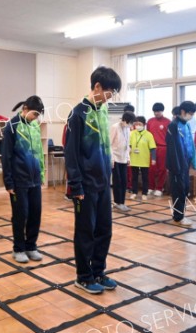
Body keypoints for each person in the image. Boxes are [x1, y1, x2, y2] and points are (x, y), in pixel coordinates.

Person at [65, 66, 121, 295]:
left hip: (102, 183)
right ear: (96, 86)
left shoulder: (102, 111)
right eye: (108, 92)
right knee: (85, 231)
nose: (110, 97)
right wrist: (76, 185)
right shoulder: (78, 114)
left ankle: (98, 271)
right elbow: (72, 153)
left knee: (104, 230)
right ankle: (83, 276)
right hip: (85, 185)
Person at [2, 96, 45, 263]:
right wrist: (8, 181)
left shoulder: (34, 126)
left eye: (38, 115)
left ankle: (31, 246)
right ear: (25, 109)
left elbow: (39, 152)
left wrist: (41, 173)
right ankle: (18, 248)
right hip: (19, 180)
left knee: (36, 214)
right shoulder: (12, 126)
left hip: (35, 180)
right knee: (21, 215)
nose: (36, 118)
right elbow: (6, 156)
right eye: (35, 114)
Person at [166, 101, 196, 227]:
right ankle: (178, 217)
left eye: (193, 114)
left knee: (184, 190)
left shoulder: (187, 125)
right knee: (178, 191)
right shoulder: (173, 125)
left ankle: (181, 215)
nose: (191, 116)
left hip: (185, 164)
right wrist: (177, 166)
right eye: (190, 113)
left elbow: (191, 144)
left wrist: (193, 161)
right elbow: (172, 148)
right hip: (176, 165)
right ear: (183, 111)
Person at [110, 111, 134, 211]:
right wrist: (111, 158)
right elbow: (109, 143)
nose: (131, 125)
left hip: (123, 159)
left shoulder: (127, 129)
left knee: (124, 181)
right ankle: (117, 202)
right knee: (117, 181)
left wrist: (128, 158)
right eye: (130, 122)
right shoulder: (115, 127)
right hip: (115, 158)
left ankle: (122, 202)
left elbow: (127, 144)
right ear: (125, 120)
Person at [129, 116, 157, 201]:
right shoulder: (132, 133)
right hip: (134, 159)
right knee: (134, 177)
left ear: (144, 124)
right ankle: (134, 192)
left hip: (144, 159)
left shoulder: (149, 135)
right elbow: (129, 145)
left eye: (140, 124)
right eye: (136, 124)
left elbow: (152, 148)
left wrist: (153, 158)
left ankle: (144, 193)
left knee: (145, 177)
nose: (137, 125)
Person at [147, 103, 170, 197]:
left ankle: (159, 188)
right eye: (155, 111)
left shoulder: (168, 121)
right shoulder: (150, 121)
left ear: (162, 111)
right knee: (151, 169)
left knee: (162, 169)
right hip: (152, 148)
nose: (156, 113)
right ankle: (151, 187)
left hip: (163, 147)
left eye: (158, 111)